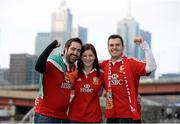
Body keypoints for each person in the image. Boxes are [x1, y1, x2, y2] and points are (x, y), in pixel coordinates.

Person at [100, 34, 157, 123]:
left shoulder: (131, 63)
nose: (114, 47)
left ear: (123, 47)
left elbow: (151, 67)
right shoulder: (104, 65)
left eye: (117, 45)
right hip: (111, 117)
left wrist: (144, 45)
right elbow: (86, 65)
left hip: (130, 117)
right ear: (108, 47)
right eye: (111, 45)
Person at [34, 38, 82, 123]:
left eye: (78, 50)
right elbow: (38, 67)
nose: (75, 53)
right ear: (65, 49)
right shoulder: (54, 61)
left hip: (63, 117)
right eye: (73, 49)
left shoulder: (75, 69)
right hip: (46, 116)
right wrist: (51, 47)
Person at [67, 44, 104, 123]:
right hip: (74, 118)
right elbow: (62, 90)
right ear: (80, 57)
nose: (88, 58)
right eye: (84, 56)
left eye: (90, 55)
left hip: (94, 118)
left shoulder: (101, 75)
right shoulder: (74, 74)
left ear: (95, 57)